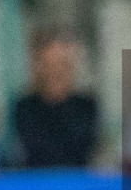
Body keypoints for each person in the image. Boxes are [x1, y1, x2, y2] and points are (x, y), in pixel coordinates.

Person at [11, 29, 99, 169]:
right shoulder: (24, 107)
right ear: (38, 65)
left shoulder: (87, 106)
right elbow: (37, 149)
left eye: (61, 63)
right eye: (49, 63)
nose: (55, 71)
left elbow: (81, 148)